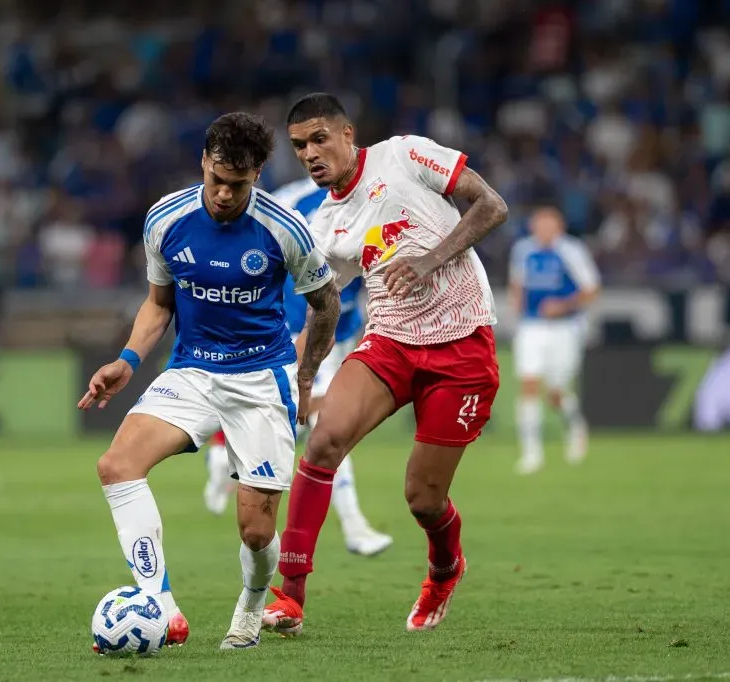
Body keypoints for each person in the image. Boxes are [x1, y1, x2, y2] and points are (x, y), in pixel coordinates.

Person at [79, 111, 340, 651]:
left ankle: (250, 604)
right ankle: (161, 607)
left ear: (259, 174)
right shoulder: (165, 220)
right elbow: (158, 305)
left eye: (237, 185)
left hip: (261, 380)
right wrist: (127, 360)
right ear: (203, 161)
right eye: (217, 179)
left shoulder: (284, 229)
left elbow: (326, 302)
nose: (223, 194)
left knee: (256, 532)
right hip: (192, 371)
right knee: (117, 466)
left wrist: (306, 375)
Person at [261, 93, 508, 635]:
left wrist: (429, 259)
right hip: (390, 345)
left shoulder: (407, 155)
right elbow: (322, 310)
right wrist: (302, 378)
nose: (310, 153)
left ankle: (445, 569)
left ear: (348, 134)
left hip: (462, 346)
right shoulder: (325, 226)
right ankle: (289, 596)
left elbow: (492, 206)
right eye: (300, 146)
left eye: (320, 138)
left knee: (422, 498)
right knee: (324, 441)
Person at [203, 176, 393, 558]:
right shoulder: (293, 202)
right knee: (324, 425)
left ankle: (223, 456)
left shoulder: (376, 195)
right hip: (294, 331)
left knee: (307, 426)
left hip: (338, 332)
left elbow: (375, 269)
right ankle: (354, 527)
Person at [508, 206, 601, 475]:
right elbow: (518, 284)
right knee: (528, 383)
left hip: (565, 327)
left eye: (549, 224)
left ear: (559, 226)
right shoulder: (523, 250)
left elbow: (592, 289)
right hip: (532, 325)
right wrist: (518, 308)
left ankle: (575, 425)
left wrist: (563, 305)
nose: (543, 230)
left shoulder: (572, 250)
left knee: (556, 393)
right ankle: (531, 453)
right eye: (539, 224)